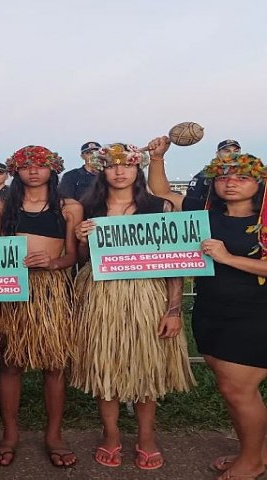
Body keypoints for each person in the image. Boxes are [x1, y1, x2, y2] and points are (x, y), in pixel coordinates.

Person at [147, 136, 267, 480]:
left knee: (238, 390)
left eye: (241, 177)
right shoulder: (203, 212)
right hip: (211, 309)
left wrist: (228, 258)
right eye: (224, 176)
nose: (231, 182)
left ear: (257, 182)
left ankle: (252, 462)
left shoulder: (265, 218)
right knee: (234, 389)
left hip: (254, 314)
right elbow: (163, 192)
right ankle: (255, 451)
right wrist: (158, 158)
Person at [72, 143, 195, 471]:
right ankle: (111, 434)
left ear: (137, 169)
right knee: (106, 365)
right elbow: (84, 262)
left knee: (145, 366)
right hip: (102, 296)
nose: (120, 171)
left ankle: (146, 436)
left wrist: (173, 310)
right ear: (102, 170)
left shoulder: (158, 207)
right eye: (112, 166)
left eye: (126, 165)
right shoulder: (90, 208)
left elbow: (174, 262)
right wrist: (83, 240)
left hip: (147, 296)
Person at [0, 145, 82, 469]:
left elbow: (74, 256)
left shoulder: (69, 207)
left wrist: (53, 263)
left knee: (54, 364)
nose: (33, 170)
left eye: (40, 165)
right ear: (16, 170)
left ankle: (54, 435)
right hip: (12, 290)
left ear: (52, 169)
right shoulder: (0, 205)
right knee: (11, 363)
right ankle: (10, 435)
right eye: (26, 165)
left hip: (52, 291)